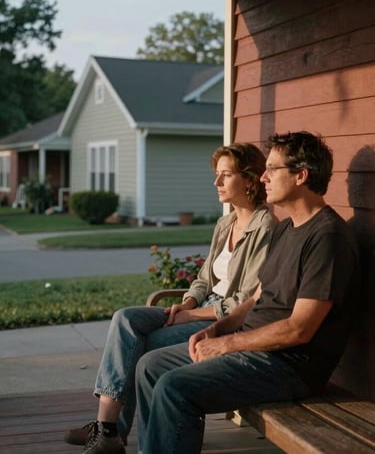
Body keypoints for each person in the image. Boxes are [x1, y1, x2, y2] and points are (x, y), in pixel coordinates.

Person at [135, 131, 361, 454]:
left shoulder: (328, 238)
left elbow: (299, 329)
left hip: (288, 366)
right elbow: (256, 297)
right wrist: (215, 330)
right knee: (150, 366)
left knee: (174, 387)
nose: (264, 177)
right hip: (252, 349)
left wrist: (225, 345)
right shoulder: (286, 228)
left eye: (272, 169)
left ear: (301, 175)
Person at [64, 142, 277, 454]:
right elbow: (205, 278)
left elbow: (245, 300)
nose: (216, 183)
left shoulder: (265, 227)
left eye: (225, 175)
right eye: (216, 175)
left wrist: (193, 317)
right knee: (126, 318)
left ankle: (110, 432)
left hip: (222, 322)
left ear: (249, 179)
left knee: (144, 348)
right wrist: (189, 302)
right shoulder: (225, 223)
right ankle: (107, 427)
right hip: (201, 308)